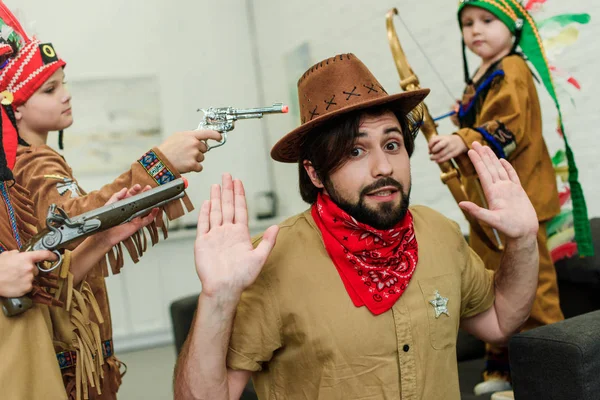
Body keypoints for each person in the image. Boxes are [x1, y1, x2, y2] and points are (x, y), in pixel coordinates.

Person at [173, 53, 541, 400]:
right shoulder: (270, 262)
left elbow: (500, 320)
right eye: (355, 151)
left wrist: (523, 241)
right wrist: (217, 297)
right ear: (315, 172)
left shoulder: (440, 232)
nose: (383, 167)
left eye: (393, 144)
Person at [0, 2, 221, 398]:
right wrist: (160, 163)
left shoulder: (32, 160)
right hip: (67, 354)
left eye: (64, 82)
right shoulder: (33, 164)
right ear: (13, 107)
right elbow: (72, 220)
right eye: (50, 89)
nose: (66, 95)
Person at [427, 0, 593, 394]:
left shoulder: (512, 68)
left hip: (521, 200)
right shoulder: (486, 73)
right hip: (492, 202)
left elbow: (510, 124)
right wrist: (459, 124)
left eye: (487, 20)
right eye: (467, 23)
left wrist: (463, 138)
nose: (475, 30)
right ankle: (503, 367)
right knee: (493, 284)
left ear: (512, 27)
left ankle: (548, 373)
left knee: (530, 287)